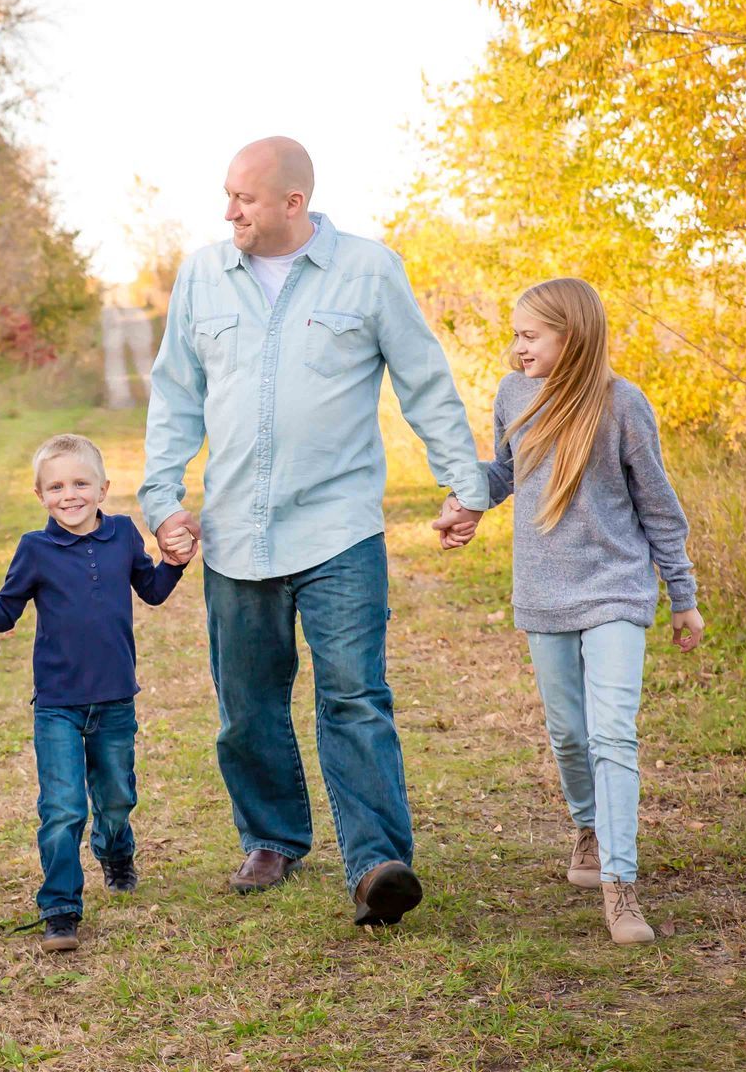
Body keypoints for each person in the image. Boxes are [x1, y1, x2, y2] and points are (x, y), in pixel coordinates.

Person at [140, 136, 492, 926]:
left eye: (244, 198)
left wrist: (464, 484)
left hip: (339, 528)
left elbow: (424, 380)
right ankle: (271, 837)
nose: (229, 211)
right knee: (247, 704)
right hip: (236, 529)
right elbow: (175, 396)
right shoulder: (202, 275)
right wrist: (162, 500)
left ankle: (377, 865)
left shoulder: (368, 271)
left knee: (355, 696)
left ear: (293, 203)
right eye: (228, 195)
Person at [433, 277, 703, 944]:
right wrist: (465, 502)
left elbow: (659, 507)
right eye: (516, 335)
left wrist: (683, 596)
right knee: (569, 734)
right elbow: (506, 472)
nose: (517, 347)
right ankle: (589, 828)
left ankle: (620, 886)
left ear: (572, 336)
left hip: (615, 588)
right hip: (544, 589)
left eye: (530, 335)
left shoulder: (623, 405)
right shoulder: (513, 394)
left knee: (613, 734)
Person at [0, 433, 187, 953]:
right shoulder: (34, 549)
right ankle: (60, 908)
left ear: (103, 488)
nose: (69, 495)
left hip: (115, 698)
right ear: (40, 495)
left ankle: (115, 850)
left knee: (117, 796)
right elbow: (5, 614)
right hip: (58, 704)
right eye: (56, 487)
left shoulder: (123, 535)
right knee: (62, 808)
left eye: (81, 483)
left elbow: (152, 591)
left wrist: (175, 562)